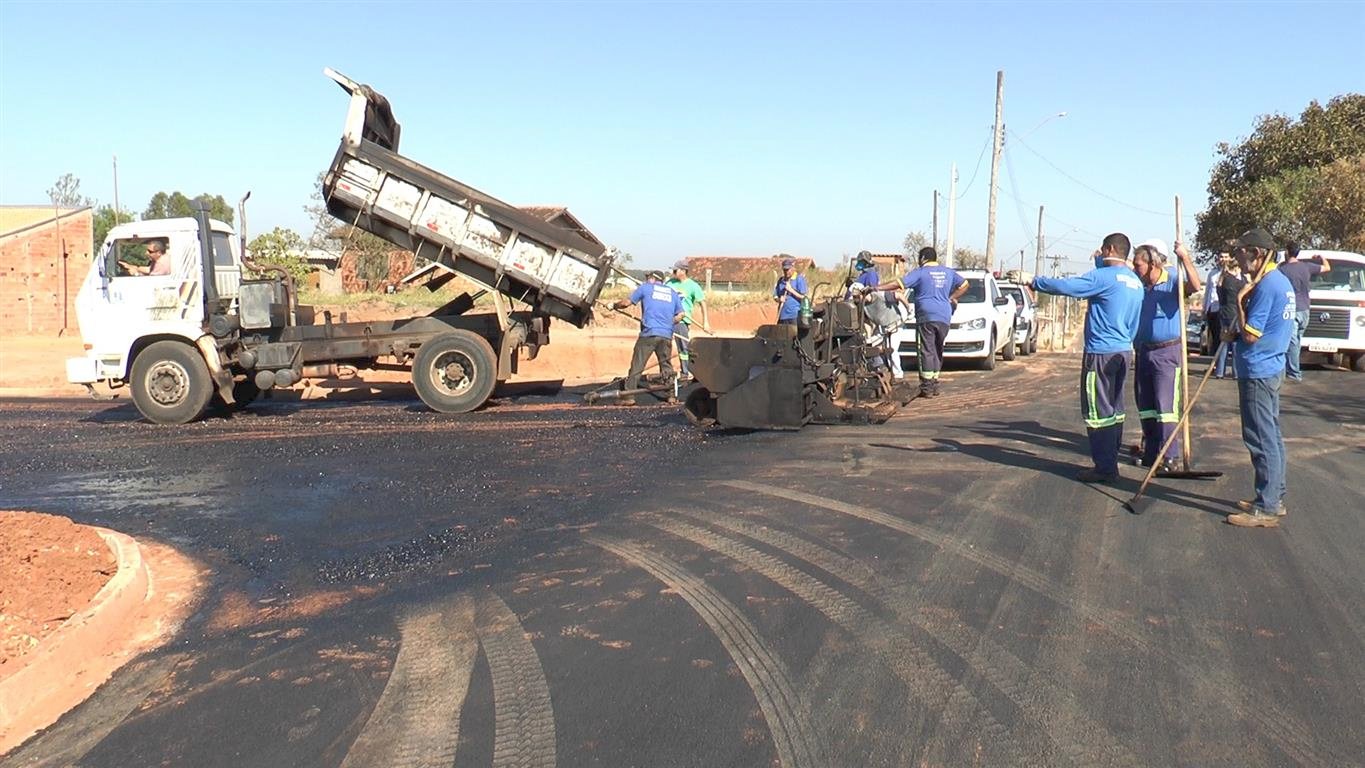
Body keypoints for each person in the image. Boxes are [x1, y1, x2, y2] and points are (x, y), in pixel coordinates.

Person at [1031, 233, 1143, 483]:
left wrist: (1036, 282)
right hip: (1123, 350)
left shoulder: (1103, 277)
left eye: (1103, 251)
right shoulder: (1134, 281)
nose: (1101, 254)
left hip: (1100, 353)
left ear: (1111, 249)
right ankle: (1110, 457)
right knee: (1114, 408)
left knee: (1097, 409)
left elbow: (1069, 287)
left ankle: (1104, 467)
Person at [1224, 228, 1297, 528]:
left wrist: (1240, 303)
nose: (1237, 258)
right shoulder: (1280, 281)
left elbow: (1252, 335)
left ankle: (1267, 506)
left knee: (1260, 437)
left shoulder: (1268, 285)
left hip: (1259, 369)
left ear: (1255, 253)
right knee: (1271, 435)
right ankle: (1272, 497)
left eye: (1241, 252)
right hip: (1270, 367)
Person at [1131, 239, 1202, 473]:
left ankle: (1170, 456)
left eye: (1138, 265)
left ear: (1152, 264)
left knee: (1166, 407)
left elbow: (1195, 285)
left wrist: (1185, 257)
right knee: (1146, 406)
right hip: (1143, 351)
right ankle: (1152, 453)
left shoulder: (1171, 280)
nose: (1135, 269)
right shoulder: (1139, 285)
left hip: (1167, 352)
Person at [876, 247, 967, 397]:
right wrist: (951, 298)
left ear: (923, 258)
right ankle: (935, 383)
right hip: (944, 316)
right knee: (938, 349)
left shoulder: (921, 272)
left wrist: (877, 288)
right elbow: (965, 285)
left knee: (926, 350)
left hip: (926, 317)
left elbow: (898, 284)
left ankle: (927, 387)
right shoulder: (948, 272)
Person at [613, 270, 684, 404]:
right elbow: (681, 315)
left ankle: (629, 396)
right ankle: (671, 395)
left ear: (652, 279)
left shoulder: (645, 288)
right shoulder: (672, 293)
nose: (646, 280)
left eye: (648, 278)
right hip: (666, 334)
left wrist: (614, 305)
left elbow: (626, 303)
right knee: (666, 365)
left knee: (637, 365)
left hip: (649, 333)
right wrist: (668, 323)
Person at [1276, 242, 1330, 382]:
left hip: (1291, 308)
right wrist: (1321, 257)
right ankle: (1291, 369)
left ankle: (1293, 372)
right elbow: (1327, 268)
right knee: (1297, 340)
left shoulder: (1282, 269)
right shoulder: (1307, 266)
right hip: (1305, 309)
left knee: (1291, 341)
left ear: (1287, 252)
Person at [665, 261, 709, 380]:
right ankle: (666, 373)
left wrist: (706, 322)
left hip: (682, 321)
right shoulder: (669, 284)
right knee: (664, 346)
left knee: (683, 347)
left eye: (675, 270)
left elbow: (702, 303)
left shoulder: (693, 286)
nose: (673, 273)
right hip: (667, 320)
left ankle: (686, 372)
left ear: (683, 271)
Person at [1215, 257, 1246, 379]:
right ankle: (1236, 372)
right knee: (1235, 345)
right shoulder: (1238, 283)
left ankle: (1219, 371)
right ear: (1237, 268)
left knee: (1224, 342)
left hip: (1223, 313)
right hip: (1235, 314)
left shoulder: (1223, 280)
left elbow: (1218, 291)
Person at [774, 258, 807, 326]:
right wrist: (779, 299)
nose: (786, 272)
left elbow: (804, 297)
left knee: (794, 335)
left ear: (792, 268)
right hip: (782, 316)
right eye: (784, 270)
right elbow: (775, 296)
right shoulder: (781, 281)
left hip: (795, 316)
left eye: (788, 269)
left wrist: (791, 290)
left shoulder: (799, 279)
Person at [1203, 258, 1222, 353]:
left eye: (1225, 257)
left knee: (1220, 337)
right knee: (1213, 336)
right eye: (1221, 257)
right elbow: (1207, 291)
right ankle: (1214, 362)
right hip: (1211, 309)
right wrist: (1205, 308)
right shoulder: (1212, 273)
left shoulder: (1230, 273)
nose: (1222, 259)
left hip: (1221, 309)